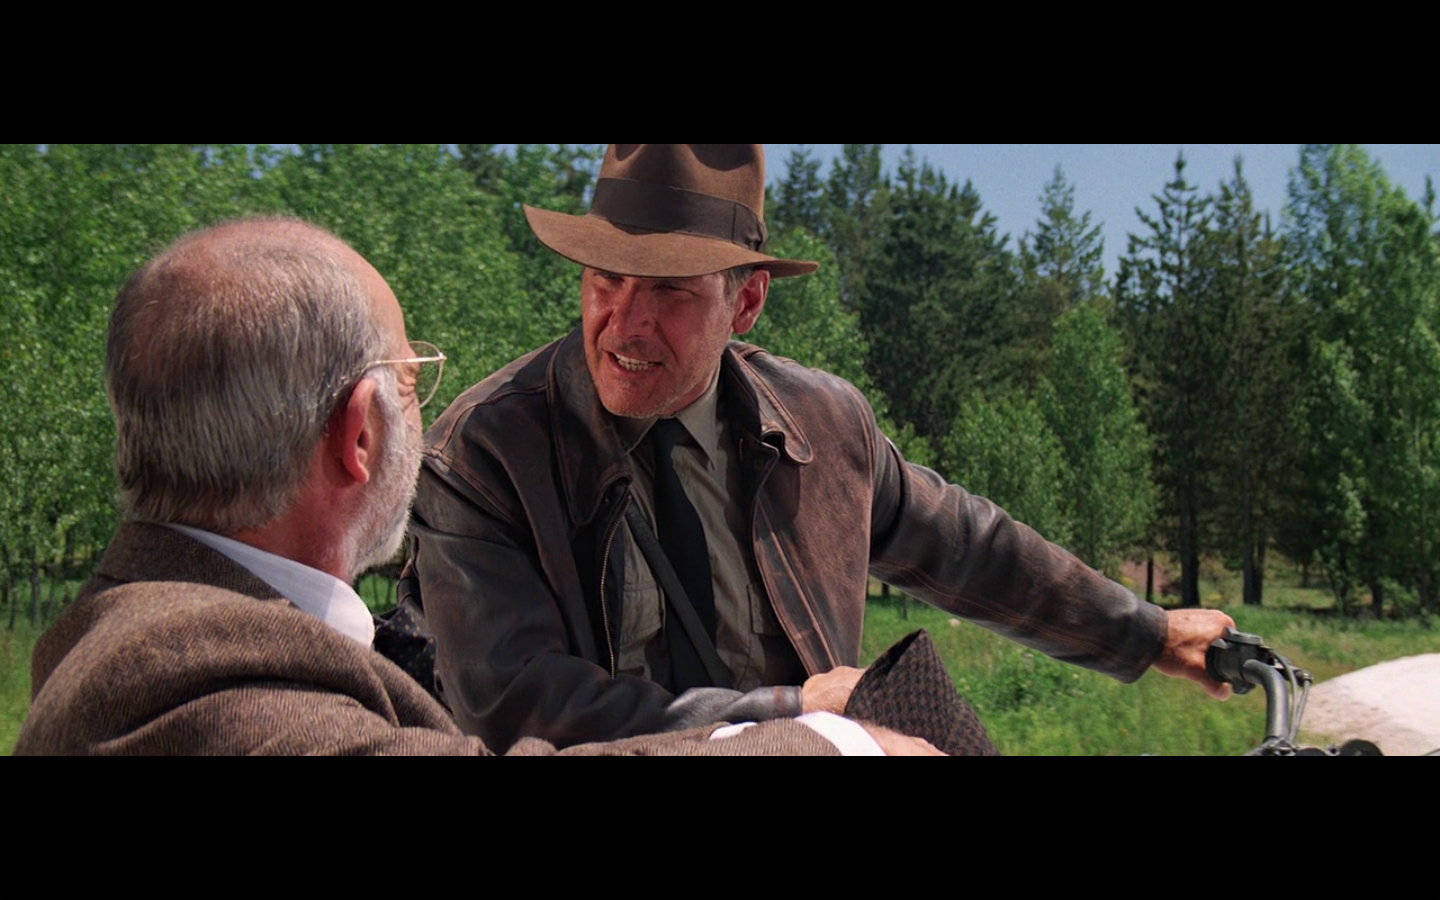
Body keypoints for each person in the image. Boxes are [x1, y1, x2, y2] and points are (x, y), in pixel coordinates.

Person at [407, 144, 1236, 751]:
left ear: (746, 304)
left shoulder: (825, 425)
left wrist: (1149, 633)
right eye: (606, 280)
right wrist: (791, 713)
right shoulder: (483, 455)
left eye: (668, 290)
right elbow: (517, 705)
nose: (625, 324)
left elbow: (970, 548)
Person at [16, 217, 918, 756]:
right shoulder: (190, 682)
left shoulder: (160, 631)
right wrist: (834, 740)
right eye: (412, 377)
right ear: (359, 435)